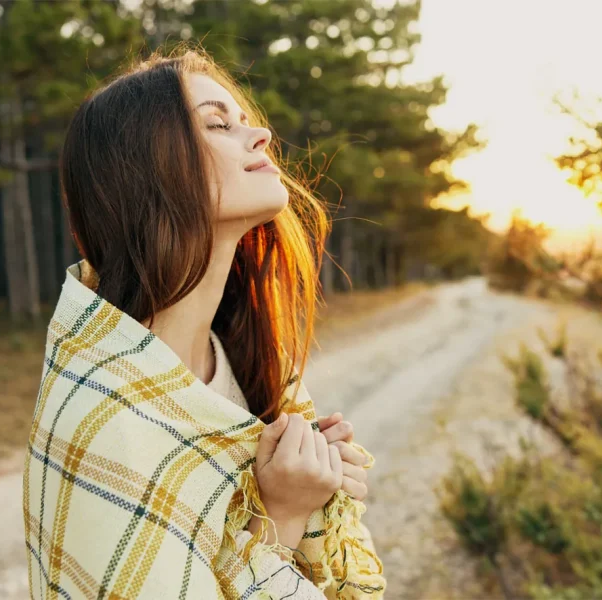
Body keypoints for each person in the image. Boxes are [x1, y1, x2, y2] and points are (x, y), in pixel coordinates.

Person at [22, 46, 384, 599]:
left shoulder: (245, 353)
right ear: (148, 172)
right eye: (219, 123)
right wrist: (282, 515)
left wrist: (317, 487)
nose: (260, 134)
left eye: (243, 118)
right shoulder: (104, 419)